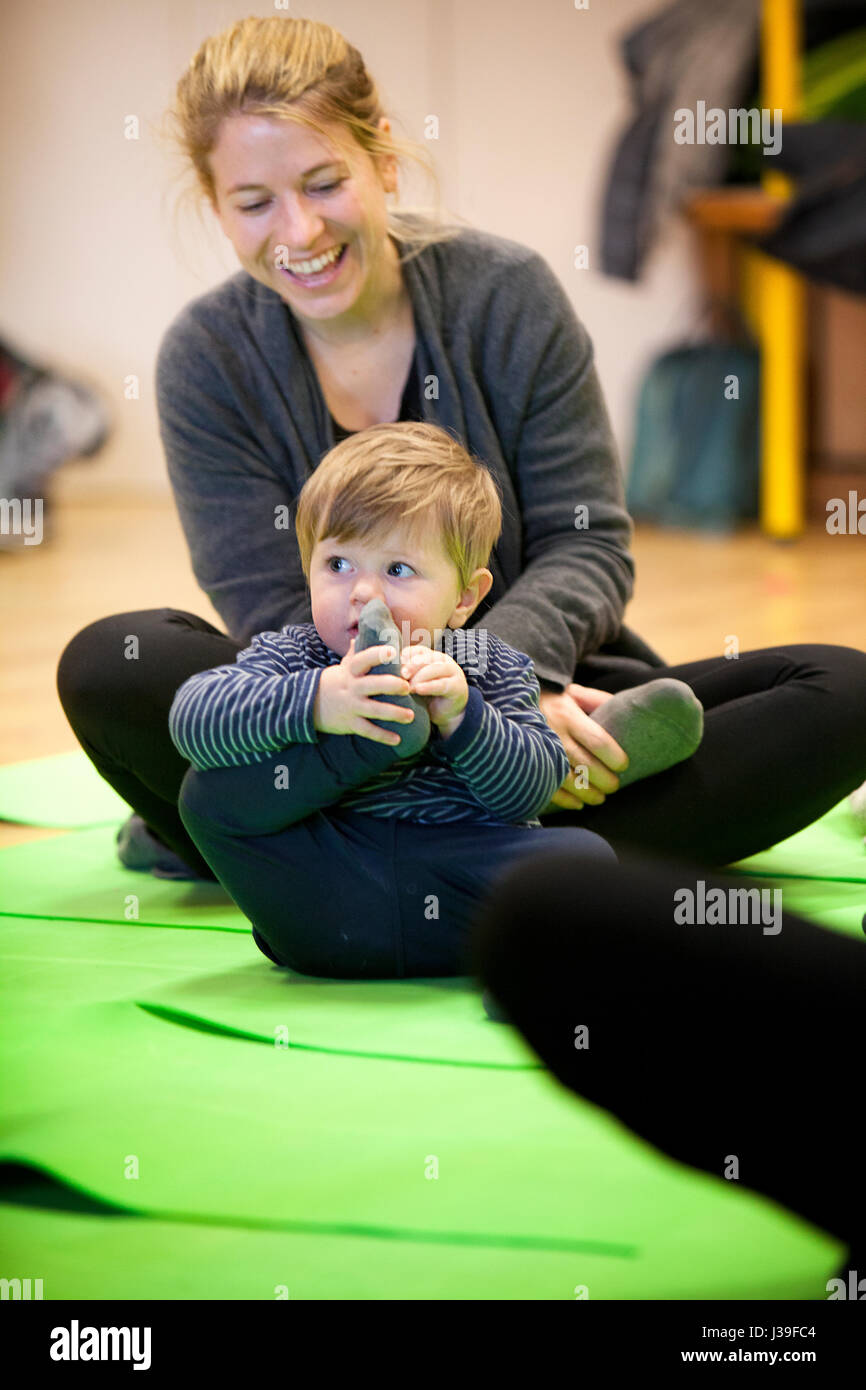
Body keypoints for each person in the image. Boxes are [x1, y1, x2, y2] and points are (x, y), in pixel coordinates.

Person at [55, 13, 866, 886]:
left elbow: (585, 541)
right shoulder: (205, 357)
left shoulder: (505, 294)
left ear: (385, 163)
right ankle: (521, 856)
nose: (297, 233)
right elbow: (268, 608)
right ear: (217, 207)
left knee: (843, 691)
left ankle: (313, 857)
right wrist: (401, 709)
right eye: (254, 204)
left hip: (538, 691)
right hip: (333, 716)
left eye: (325, 183)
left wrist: (502, 697)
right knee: (111, 661)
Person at [168, 420, 617, 979]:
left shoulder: (486, 662)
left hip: (461, 882)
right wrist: (319, 701)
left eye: (399, 569)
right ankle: (375, 741)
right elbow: (192, 717)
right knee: (205, 793)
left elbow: (529, 792)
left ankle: (525, 967)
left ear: (464, 597)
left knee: (586, 859)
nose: (362, 592)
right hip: (332, 894)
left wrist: (464, 717)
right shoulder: (297, 655)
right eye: (337, 565)